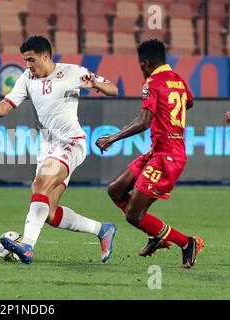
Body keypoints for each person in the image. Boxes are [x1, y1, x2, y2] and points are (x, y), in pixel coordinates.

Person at [0, 36, 119, 264]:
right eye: (25, 60)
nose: (28, 65)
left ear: (46, 56)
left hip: (71, 142)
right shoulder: (27, 78)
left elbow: (113, 89)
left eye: (31, 60)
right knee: (50, 212)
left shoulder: (73, 72)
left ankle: (27, 246)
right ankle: (103, 230)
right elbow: (5, 107)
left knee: (39, 185)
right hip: (47, 148)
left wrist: (96, 84)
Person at [95, 39, 204, 269]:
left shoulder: (152, 82)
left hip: (168, 157)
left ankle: (187, 243)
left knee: (134, 216)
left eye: (139, 65)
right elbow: (189, 103)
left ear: (145, 64)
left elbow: (143, 122)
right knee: (115, 190)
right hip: (159, 151)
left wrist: (112, 137)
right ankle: (155, 233)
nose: (140, 69)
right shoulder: (178, 80)